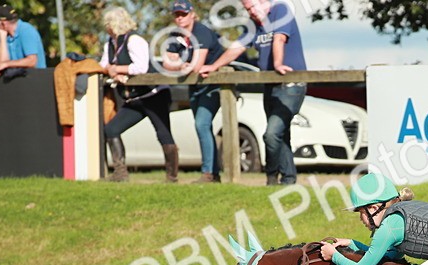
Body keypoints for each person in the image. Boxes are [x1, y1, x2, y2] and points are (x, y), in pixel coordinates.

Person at [199, 0, 307, 186]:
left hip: (291, 84)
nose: (252, 12)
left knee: (272, 134)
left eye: (253, 7)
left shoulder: (280, 10)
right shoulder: (254, 26)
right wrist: (214, 66)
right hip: (270, 86)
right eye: (248, 9)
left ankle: (272, 176)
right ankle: (288, 179)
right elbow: (237, 48)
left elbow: (279, 39)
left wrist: (278, 64)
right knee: (281, 135)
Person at [100, 8, 178, 183]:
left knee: (163, 133)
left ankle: (172, 177)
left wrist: (117, 69)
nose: (107, 28)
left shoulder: (135, 40)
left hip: (153, 95)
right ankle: (120, 172)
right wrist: (112, 72)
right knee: (111, 130)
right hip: (133, 99)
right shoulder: (109, 44)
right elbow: (104, 64)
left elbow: (140, 67)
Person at [163, 0, 224, 183]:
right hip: (195, 86)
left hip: (211, 85)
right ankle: (213, 173)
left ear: (192, 14)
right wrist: (182, 65)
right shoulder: (175, 35)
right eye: (177, 15)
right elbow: (166, 62)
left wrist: (180, 65)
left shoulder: (202, 32)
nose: (180, 18)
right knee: (204, 127)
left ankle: (208, 173)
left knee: (202, 124)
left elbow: (197, 66)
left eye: (183, 14)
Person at [0, 4, 45, 77]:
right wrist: (2, 37)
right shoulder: (0, 37)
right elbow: (0, 64)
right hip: (13, 82)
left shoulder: (26, 30)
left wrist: (6, 64)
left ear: (3, 23)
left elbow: (32, 61)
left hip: (35, 79)